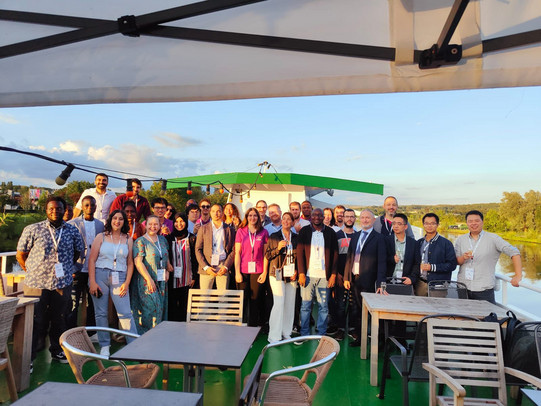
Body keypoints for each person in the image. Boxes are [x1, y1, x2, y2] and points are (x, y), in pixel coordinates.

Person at [16, 196, 84, 363]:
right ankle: (30, 357)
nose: (55, 211)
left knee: (59, 318)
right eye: (51, 208)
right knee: (35, 320)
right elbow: (21, 254)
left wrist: (67, 268)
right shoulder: (33, 229)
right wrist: (30, 270)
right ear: (46, 210)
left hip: (62, 282)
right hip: (36, 284)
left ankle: (57, 350)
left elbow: (78, 252)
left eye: (59, 208)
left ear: (64, 210)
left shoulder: (72, 230)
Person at [87, 210, 138, 356]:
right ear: (110, 220)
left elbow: (130, 264)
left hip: (120, 277)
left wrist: (127, 283)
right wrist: (92, 282)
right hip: (100, 275)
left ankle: (134, 344)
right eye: (115, 218)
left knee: (125, 313)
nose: (117, 221)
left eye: (121, 219)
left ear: (124, 222)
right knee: (101, 313)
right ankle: (104, 345)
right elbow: (92, 260)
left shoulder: (128, 239)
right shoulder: (101, 237)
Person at [455, 210, 522, 303]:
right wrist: (464, 257)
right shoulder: (460, 240)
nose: (473, 223)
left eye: (477, 221)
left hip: (483, 289)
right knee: (464, 316)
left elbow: (514, 252)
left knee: (486, 317)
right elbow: (457, 261)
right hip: (462, 287)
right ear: (466, 223)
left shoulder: (493, 238)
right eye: (470, 221)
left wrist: (518, 275)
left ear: (482, 222)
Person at [343, 209, 386, 346]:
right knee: (357, 310)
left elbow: (382, 262)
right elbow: (349, 258)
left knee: (372, 312)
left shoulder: (379, 238)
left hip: (370, 280)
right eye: (362, 218)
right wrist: (346, 277)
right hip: (355, 279)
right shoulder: (355, 236)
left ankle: (376, 341)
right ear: (359, 220)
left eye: (368, 218)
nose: (365, 220)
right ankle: (360, 339)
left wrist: (380, 283)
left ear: (373, 220)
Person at [296, 208, 338, 337]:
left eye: (320, 215)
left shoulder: (330, 233)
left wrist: (333, 275)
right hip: (308, 275)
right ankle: (304, 332)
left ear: (323, 217)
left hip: (324, 277)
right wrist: (301, 273)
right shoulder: (304, 231)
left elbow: (335, 255)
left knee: (323, 306)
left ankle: (321, 333)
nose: (317, 217)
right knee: (305, 306)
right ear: (311, 217)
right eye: (315, 215)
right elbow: (300, 253)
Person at [67, 196, 104, 330]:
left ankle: (91, 332)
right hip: (77, 269)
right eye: (87, 205)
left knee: (93, 302)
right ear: (82, 207)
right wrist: (70, 269)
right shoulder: (72, 224)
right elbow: (68, 248)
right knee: (73, 303)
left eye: (92, 205)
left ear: (96, 207)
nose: (90, 208)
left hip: (94, 270)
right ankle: (71, 332)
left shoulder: (100, 225)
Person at [131, 215, 173, 333]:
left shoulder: (163, 240)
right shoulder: (140, 241)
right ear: (145, 225)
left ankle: (158, 336)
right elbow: (138, 262)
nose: (153, 227)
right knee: (150, 309)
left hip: (161, 281)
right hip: (147, 281)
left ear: (160, 226)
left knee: (160, 308)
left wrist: (167, 269)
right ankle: (145, 336)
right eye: (150, 224)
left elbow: (164, 255)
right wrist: (149, 280)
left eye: (156, 224)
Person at [266, 212, 298, 343]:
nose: (285, 221)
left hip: (291, 275)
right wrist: (277, 248)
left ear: (292, 222)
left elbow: (300, 256)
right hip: (277, 273)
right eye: (283, 219)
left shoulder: (296, 238)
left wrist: (298, 270)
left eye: (288, 219)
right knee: (279, 303)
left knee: (290, 304)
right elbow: (267, 255)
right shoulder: (274, 237)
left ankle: (286, 332)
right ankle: (274, 335)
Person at [235, 207, 269, 326]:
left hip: (258, 270)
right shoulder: (241, 231)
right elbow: (237, 253)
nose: (252, 218)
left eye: (255, 215)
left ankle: (253, 326)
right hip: (243, 269)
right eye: (250, 215)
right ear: (246, 217)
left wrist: (264, 272)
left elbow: (266, 255)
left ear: (258, 218)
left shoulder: (263, 232)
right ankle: (242, 324)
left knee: (255, 299)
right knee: (243, 298)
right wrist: (237, 272)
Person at [328, 208, 356, 340]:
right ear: (343, 219)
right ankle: (340, 328)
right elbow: (333, 256)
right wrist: (337, 274)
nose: (349, 219)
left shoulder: (358, 235)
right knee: (340, 304)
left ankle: (352, 328)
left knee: (353, 303)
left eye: (352, 216)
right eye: (347, 216)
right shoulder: (336, 235)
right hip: (340, 275)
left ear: (355, 219)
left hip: (354, 276)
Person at [414, 213, 457, 296]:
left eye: (432, 223)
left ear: (437, 225)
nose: (429, 226)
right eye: (426, 223)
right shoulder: (419, 242)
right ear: (423, 225)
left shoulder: (446, 243)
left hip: (438, 285)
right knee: (419, 308)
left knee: (437, 308)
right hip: (420, 284)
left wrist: (432, 267)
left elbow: (452, 265)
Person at [195, 204, 236, 290]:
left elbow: (233, 250)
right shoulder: (203, 229)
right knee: (204, 297)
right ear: (210, 213)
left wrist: (226, 266)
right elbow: (198, 249)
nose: (216, 213)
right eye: (213, 211)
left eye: (218, 211)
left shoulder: (229, 229)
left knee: (223, 298)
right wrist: (205, 267)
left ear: (222, 213)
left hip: (222, 265)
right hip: (207, 265)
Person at [167, 212, 197, 321]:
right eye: (176, 221)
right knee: (173, 305)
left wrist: (194, 277)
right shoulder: (169, 238)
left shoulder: (192, 238)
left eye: (182, 221)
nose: (179, 224)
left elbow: (194, 258)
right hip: (172, 278)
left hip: (187, 277)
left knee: (185, 305)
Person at [385, 213, 419, 286]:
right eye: (394, 223)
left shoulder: (414, 243)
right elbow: (381, 260)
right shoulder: (386, 241)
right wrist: (392, 259)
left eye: (399, 224)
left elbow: (417, 263)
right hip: (388, 280)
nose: (396, 226)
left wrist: (411, 278)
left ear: (405, 226)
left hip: (405, 282)